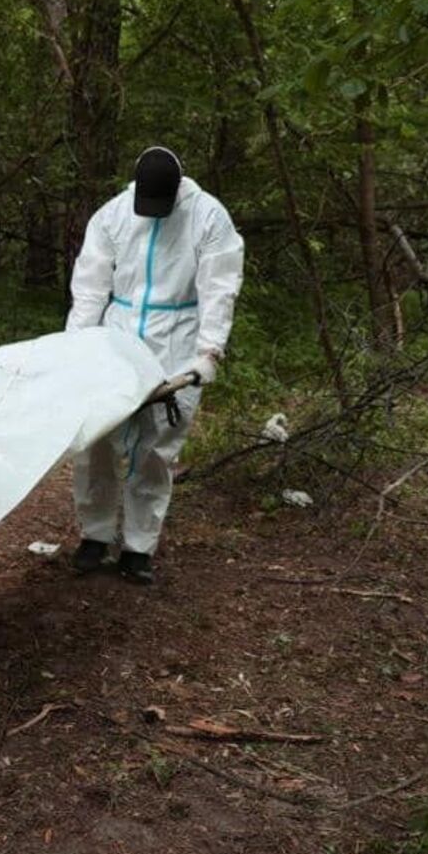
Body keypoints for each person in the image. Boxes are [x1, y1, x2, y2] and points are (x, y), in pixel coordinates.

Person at [65, 146, 244, 584]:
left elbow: (219, 287)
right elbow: (90, 285)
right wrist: (76, 344)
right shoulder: (112, 215)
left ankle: (138, 547)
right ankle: (95, 534)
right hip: (118, 336)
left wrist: (208, 352)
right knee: (96, 439)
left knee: (156, 449)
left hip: (177, 338)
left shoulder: (208, 217)